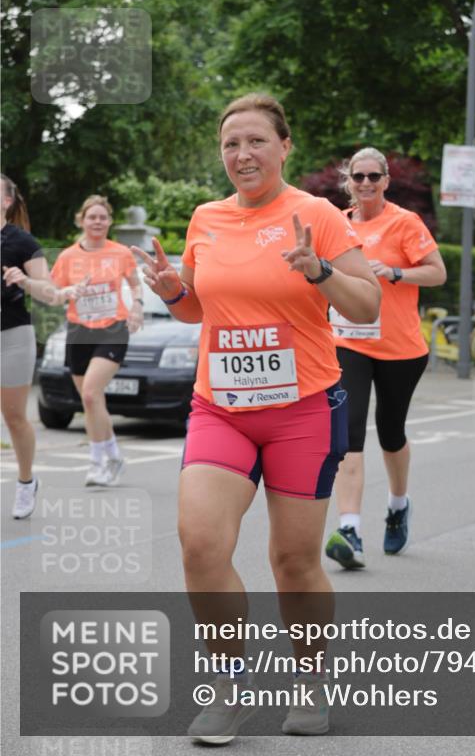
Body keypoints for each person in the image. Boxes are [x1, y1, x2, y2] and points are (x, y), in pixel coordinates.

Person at [133, 94, 380, 744]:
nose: (241, 154)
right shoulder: (206, 218)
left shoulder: (316, 215)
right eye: (230, 144)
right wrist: (170, 291)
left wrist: (320, 270)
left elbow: (364, 302)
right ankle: (229, 687)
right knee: (200, 544)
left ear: (283, 146)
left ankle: (308, 679)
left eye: (255, 141)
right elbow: (195, 309)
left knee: (293, 561)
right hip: (222, 408)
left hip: (302, 409)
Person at [324, 147, 446, 570]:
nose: (366, 184)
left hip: (401, 348)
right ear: (349, 181)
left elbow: (437, 271)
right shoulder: (337, 224)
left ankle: (397, 505)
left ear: (386, 181)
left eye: (374, 176)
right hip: (348, 342)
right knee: (349, 430)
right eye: (358, 176)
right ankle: (350, 530)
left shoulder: (404, 222)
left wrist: (396, 273)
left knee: (391, 432)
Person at [1, 176, 85, 518]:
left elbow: (50, 293)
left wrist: (25, 280)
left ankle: (25, 482)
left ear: (7, 201)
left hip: (12, 338)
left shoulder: (22, 242)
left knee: (15, 417)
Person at [50, 195, 144, 487]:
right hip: (79, 331)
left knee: (91, 393)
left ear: (110, 222)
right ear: (81, 220)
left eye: (103, 217)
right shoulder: (67, 256)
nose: (98, 222)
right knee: (91, 401)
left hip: (112, 329)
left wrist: (138, 305)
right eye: (92, 217)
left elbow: (135, 282)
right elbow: (51, 293)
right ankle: (113, 453)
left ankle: (96, 462)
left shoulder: (120, 253)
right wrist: (68, 292)